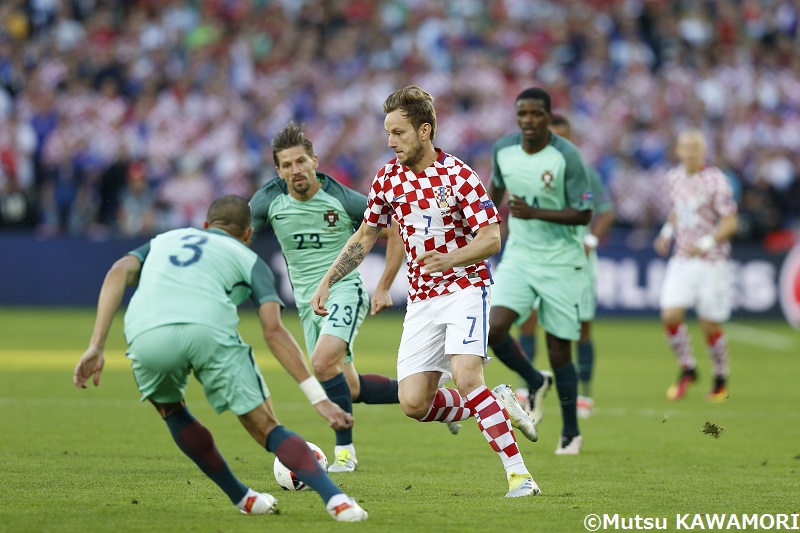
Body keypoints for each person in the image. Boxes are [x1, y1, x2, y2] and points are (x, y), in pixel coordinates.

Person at [73, 195, 368, 522]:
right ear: (247, 234)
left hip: (147, 332)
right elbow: (273, 332)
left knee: (171, 410)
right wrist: (318, 399)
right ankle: (338, 502)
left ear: (204, 225)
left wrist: (96, 345)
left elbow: (118, 270)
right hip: (209, 332)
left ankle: (243, 498)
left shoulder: (163, 240)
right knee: (267, 428)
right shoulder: (248, 257)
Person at [311, 85, 540, 498]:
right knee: (414, 403)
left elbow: (491, 239)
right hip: (422, 301)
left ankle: (520, 476)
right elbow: (366, 234)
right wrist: (329, 278)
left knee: (469, 378)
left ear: (425, 130)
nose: (390, 141)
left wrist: (450, 259)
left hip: (465, 289)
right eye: (388, 133)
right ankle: (498, 400)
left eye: (398, 132)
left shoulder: (459, 176)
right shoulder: (387, 178)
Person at [249, 121, 427, 474]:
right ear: (278, 170)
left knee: (321, 361)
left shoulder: (342, 198)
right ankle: (433, 397)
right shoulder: (268, 200)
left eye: (301, 161)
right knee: (351, 386)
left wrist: (383, 285)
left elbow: (393, 229)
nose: (295, 170)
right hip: (306, 302)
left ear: (315, 160)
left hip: (344, 289)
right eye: (287, 165)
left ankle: (345, 451)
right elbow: (238, 239)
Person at [486, 88, 594, 456]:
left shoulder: (567, 157)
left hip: (562, 259)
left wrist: (534, 213)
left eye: (535, 114)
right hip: (519, 255)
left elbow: (584, 214)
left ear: (549, 117)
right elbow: (494, 193)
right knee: (494, 327)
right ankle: (535, 380)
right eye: (522, 114)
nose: (528, 120)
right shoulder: (504, 150)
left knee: (558, 347)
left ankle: (570, 430)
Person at [514, 113, 615, 419]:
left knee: (581, 326)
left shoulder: (584, 172)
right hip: (537, 257)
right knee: (527, 319)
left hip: (574, 260)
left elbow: (606, 212)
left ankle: (584, 394)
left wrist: (591, 241)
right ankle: (526, 388)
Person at [653, 129, 738, 402]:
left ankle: (721, 374)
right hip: (682, 258)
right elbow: (678, 210)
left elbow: (730, 222)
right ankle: (688, 367)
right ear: (678, 151)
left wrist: (704, 244)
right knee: (670, 314)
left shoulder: (716, 181)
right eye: (685, 148)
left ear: (703, 152)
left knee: (709, 323)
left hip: (711, 261)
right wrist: (667, 233)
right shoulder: (674, 178)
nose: (690, 153)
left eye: (695, 149)